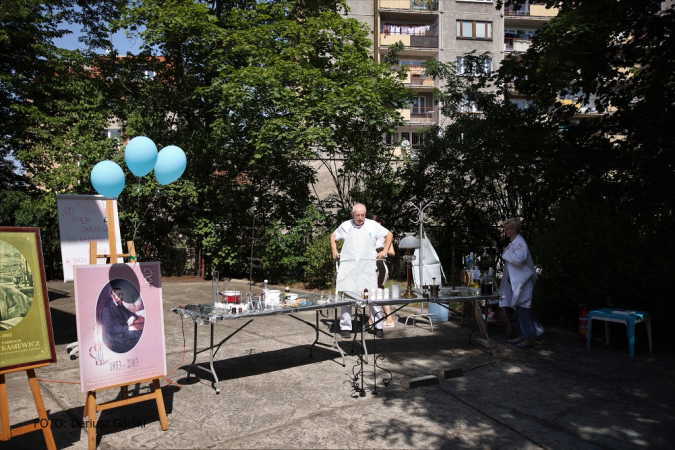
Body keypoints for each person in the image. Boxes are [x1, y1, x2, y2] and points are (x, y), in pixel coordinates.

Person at [331, 203, 393, 338]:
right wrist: (334, 251)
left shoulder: (372, 225)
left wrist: (385, 250)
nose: (360, 218)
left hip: (367, 267)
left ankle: (378, 327)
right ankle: (345, 327)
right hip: (349, 268)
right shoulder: (345, 225)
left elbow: (389, 234)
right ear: (352, 215)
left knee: (372, 296)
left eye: (362, 215)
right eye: (357, 215)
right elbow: (333, 236)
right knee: (347, 296)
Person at [499, 217, 544, 348]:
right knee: (518, 309)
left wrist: (506, 253)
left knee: (524, 309)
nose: (505, 231)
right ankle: (522, 335)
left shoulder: (520, 243)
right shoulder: (514, 243)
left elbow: (519, 259)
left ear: (514, 229)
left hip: (524, 282)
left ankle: (530, 337)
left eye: (507, 229)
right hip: (518, 282)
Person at [98, 284, 143, 353]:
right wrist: (127, 328)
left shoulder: (119, 305)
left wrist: (132, 317)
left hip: (124, 332)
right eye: (118, 294)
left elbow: (131, 314)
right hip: (115, 336)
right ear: (112, 296)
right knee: (139, 337)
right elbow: (111, 329)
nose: (121, 296)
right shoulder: (106, 309)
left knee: (140, 334)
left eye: (121, 294)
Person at [371, 214, 396, 328]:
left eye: (377, 224)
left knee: (379, 291)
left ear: (380, 224)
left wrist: (382, 249)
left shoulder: (384, 235)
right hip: (370, 264)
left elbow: (392, 252)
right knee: (372, 291)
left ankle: (388, 319)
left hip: (381, 264)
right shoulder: (368, 233)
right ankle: (373, 318)